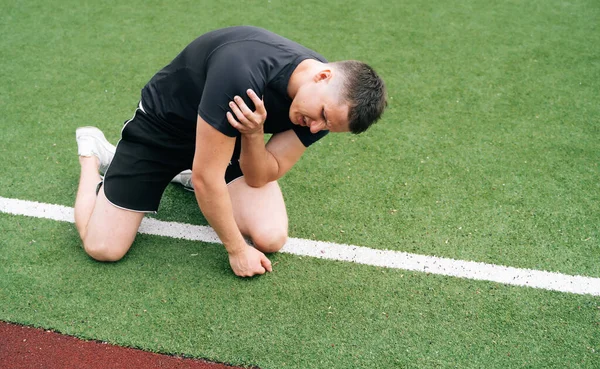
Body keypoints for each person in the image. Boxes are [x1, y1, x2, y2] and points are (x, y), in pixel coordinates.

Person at [74, 26, 386, 277]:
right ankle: (94, 157)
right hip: (162, 130)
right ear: (322, 76)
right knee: (103, 247)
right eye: (322, 116)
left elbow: (265, 173)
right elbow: (207, 176)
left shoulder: (321, 105)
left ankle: (185, 173)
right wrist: (237, 251)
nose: (316, 128)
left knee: (271, 236)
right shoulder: (243, 73)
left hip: (228, 136)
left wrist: (252, 136)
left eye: (328, 127)